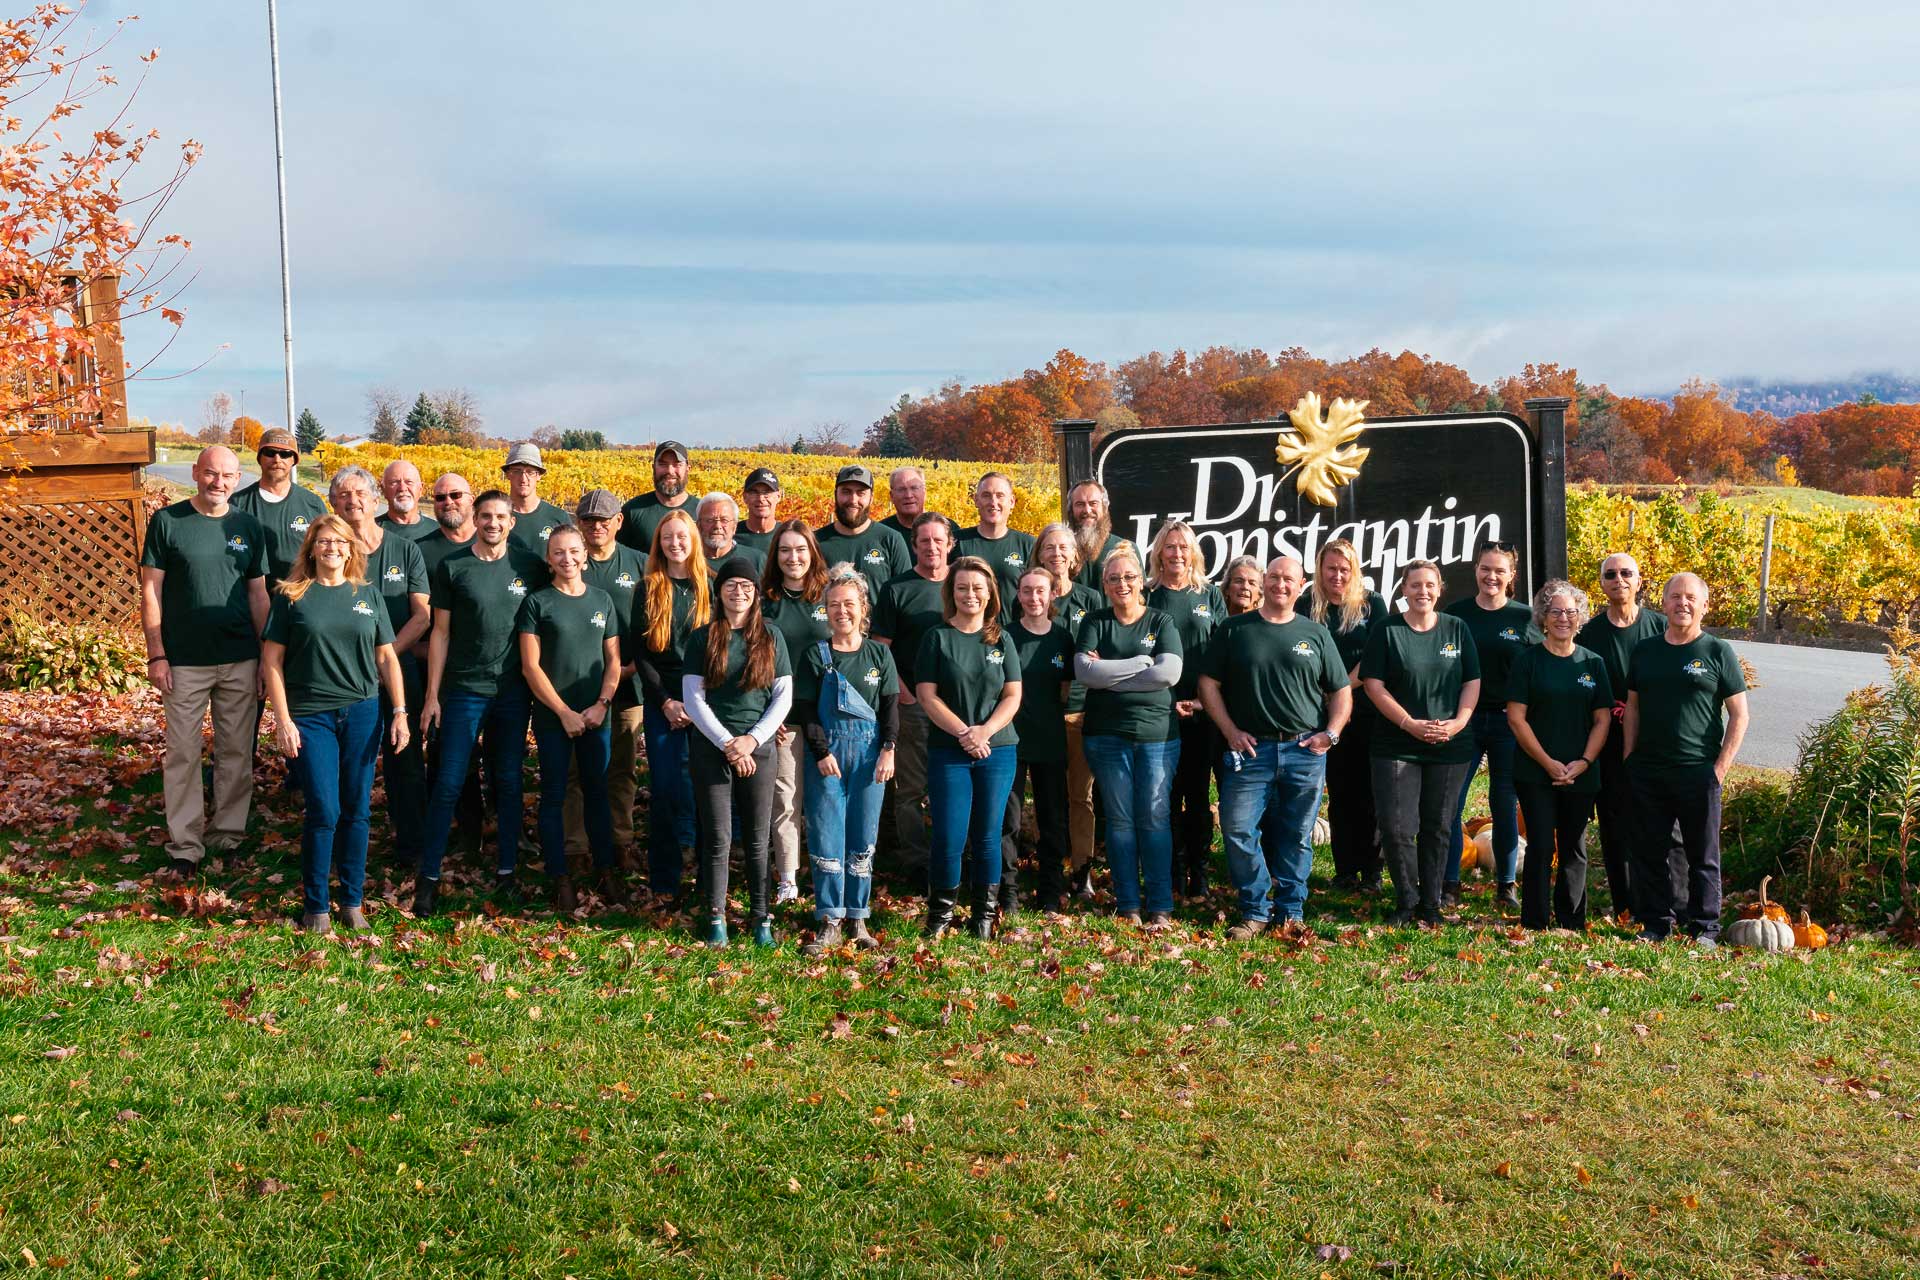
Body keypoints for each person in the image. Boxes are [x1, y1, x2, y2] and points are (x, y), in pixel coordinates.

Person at [261, 515, 409, 931]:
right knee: (324, 809)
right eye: (323, 542)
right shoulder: (292, 596)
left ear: (350, 549)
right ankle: (316, 906)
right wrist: (283, 719)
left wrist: (399, 712)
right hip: (311, 717)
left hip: (362, 712)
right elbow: (272, 661)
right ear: (311, 549)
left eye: (340, 542)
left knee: (358, 810)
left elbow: (386, 658)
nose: (332, 548)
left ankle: (352, 900)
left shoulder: (368, 594)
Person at [413, 490, 549, 915]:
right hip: (464, 690)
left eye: (500, 517)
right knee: (450, 781)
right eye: (486, 515)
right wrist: (432, 695)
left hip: (511, 692)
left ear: (511, 522)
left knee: (507, 780)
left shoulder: (528, 565)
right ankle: (429, 878)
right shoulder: (454, 567)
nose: (493, 523)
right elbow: (440, 633)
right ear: (475, 517)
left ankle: (507, 870)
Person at [1200, 556, 1351, 936]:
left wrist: (1330, 733)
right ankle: (1255, 910)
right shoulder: (1235, 629)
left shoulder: (1315, 633)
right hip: (1250, 752)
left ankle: (1290, 912)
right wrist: (1230, 730)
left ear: (1301, 586)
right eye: (1275, 577)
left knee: (1297, 834)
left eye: (1289, 579)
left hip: (1304, 751)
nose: (1281, 584)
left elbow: (1341, 691)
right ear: (1264, 581)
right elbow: (1207, 684)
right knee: (1237, 829)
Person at [139, 446, 270, 875]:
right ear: (196, 473)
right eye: (211, 473)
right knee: (183, 754)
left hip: (239, 659)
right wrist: (156, 652)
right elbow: (151, 591)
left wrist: (266, 659)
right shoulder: (168, 522)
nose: (219, 482)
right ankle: (186, 846)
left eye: (228, 475)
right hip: (183, 663)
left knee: (235, 752)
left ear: (238, 479)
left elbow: (258, 595)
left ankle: (228, 835)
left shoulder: (247, 526)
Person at [1623, 573, 1750, 946]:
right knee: (1650, 853)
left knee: (1703, 856)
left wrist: (1720, 769)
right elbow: (1633, 707)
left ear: (1704, 606)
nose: (1683, 603)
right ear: (1663, 604)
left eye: (1691, 598)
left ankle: (1705, 927)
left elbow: (1739, 714)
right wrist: (1629, 756)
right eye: (1675, 597)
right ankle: (1656, 924)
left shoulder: (1717, 652)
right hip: (1648, 770)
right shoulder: (1645, 650)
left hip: (1698, 771)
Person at [1362, 560, 1481, 927]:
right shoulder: (1387, 631)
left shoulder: (1456, 629)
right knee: (1396, 828)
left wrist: (1459, 723)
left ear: (1440, 589)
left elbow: (1471, 681)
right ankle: (1406, 900)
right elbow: (1373, 685)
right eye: (1415, 585)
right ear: (1403, 589)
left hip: (1450, 745)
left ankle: (1431, 904)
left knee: (1439, 826)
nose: (1423, 591)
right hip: (1396, 744)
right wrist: (1408, 723)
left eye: (1429, 584)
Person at [683, 558, 794, 948]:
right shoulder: (702, 638)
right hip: (712, 748)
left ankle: (761, 918)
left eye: (746, 586)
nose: (739, 592)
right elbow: (693, 699)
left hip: (758, 748)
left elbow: (783, 697)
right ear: (720, 591)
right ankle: (715, 917)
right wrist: (728, 744)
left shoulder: (771, 637)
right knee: (717, 835)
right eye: (731, 585)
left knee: (757, 836)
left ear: (756, 593)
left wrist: (752, 739)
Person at [1076, 544, 1185, 925]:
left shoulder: (1161, 622)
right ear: (1103, 584)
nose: (1122, 584)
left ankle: (1160, 905)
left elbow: (1168, 674)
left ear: (1141, 581)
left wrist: (1111, 675)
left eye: (1129, 577)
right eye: (1113, 578)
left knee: (1154, 818)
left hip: (1157, 735)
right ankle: (1128, 905)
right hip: (1106, 735)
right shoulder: (1095, 622)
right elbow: (1085, 673)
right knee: (1121, 821)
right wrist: (1138, 664)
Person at [518, 525, 623, 912]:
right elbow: (531, 667)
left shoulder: (602, 600)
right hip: (552, 718)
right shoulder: (537, 603)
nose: (568, 559)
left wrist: (601, 704)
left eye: (574, 551)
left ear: (585, 555)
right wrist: (562, 712)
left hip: (596, 716)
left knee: (598, 792)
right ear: (549, 559)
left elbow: (613, 662)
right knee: (555, 795)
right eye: (559, 553)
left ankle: (606, 868)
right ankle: (559, 875)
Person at [915, 556, 1022, 940]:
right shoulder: (937, 637)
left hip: (998, 750)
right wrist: (965, 733)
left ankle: (983, 916)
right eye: (962, 587)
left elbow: (1013, 694)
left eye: (978, 587)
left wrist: (985, 732)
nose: (970, 594)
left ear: (990, 591)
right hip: (950, 750)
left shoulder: (1002, 638)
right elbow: (926, 695)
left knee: (988, 834)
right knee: (949, 834)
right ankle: (940, 917)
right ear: (952, 592)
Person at [329, 465, 430, 868]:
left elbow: (421, 616)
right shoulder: (329, 550)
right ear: (333, 503)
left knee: (405, 760)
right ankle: (346, 849)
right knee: (349, 764)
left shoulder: (405, 550)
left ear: (376, 500)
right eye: (343, 495)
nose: (352, 501)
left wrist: (382, 657)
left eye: (360, 494)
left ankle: (412, 847)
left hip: (399, 675)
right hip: (343, 677)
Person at [797, 566, 899, 955]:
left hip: (871, 757)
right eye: (834, 605)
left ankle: (858, 916)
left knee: (863, 836)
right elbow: (806, 710)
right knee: (826, 833)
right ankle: (830, 919)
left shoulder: (879, 655)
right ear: (825, 610)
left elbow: (890, 708)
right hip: (828, 758)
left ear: (863, 608)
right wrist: (821, 753)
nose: (842, 612)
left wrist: (889, 749)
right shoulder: (815, 656)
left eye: (850, 604)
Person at [1507, 580, 1613, 932]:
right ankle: (1535, 921)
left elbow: (1602, 719)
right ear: (1543, 618)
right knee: (1539, 844)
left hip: (1581, 772)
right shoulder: (1528, 661)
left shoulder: (1593, 664)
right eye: (1555, 612)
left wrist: (1583, 762)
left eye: (1570, 612)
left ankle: (1571, 919)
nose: (1563, 618)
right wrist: (1546, 762)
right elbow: (1516, 718)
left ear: (1580, 617)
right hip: (1535, 771)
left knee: (1574, 846)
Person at [1443, 541, 1540, 912]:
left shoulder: (1526, 619)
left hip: (1508, 723)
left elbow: (1538, 672)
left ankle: (1506, 884)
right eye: (1486, 568)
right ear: (1476, 571)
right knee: (1451, 803)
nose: (1492, 576)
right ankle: (1450, 882)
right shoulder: (1456, 616)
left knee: (1504, 806)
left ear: (1512, 575)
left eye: (1500, 570)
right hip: (1464, 721)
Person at [1574, 552, 1666, 922]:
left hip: (1654, 740)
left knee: (1654, 822)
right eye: (1610, 574)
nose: (1619, 579)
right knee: (1614, 824)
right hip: (1606, 741)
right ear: (1602, 583)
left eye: (1626, 573)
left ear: (1639, 581)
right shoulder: (1590, 633)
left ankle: (1660, 900)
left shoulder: (1660, 627)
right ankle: (1625, 903)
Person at [630, 508, 711, 897]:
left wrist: (698, 704)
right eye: (667, 538)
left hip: (705, 703)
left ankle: (707, 876)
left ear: (693, 540)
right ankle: (665, 876)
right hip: (662, 702)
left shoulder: (709, 586)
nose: (675, 543)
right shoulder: (649, 588)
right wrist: (664, 702)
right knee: (663, 789)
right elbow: (641, 653)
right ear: (658, 544)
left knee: (702, 788)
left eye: (681, 536)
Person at [1146, 520, 1227, 899]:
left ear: (1193, 553)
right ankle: (1172, 873)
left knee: (1196, 797)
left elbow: (1224, 654)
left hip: (1202, 712)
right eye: (1169, 546)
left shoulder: (1210, 595)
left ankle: (1200, 872)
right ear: (1159, 552)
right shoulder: (1146, 596)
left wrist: (1200, 702)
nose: (1176, 554)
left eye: (1183, 547)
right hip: (1157, 714)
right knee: (1164, 796)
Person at [568, 490, 648, 872]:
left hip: (628, 686)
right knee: (576, 771)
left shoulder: (641, 563)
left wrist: (628, 670)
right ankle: (577, 845)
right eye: (587, 520)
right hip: (578, 689)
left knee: (621, 767)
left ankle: (620, 840)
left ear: (619, 522)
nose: (595, 526)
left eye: (604, 520)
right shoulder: (569, 561)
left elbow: (654, 625)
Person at [873, 512, 954, 883]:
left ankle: (951, 855)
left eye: (939, 540)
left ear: (950, 544)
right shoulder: (897, 589)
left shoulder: (965, 583)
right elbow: (881, 649)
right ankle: (917, 863)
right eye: (925, 541)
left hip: (960, 706)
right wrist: (905, 695)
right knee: (910, 788)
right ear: (914, 545)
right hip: (914, 704)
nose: (932, 547)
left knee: (951, 785)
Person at [1306, 538, 1390, 894]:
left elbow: (1377, 655)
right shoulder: (1305, 605)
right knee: (1339, 792)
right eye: (1331, 569)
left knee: (1370, 792)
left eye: (1344, 569)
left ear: (1354, 571)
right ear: (1320, 570)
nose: (1337, 575)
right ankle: (1345, 870)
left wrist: (1342, 688)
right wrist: (1328, 696)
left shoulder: (1373, 605)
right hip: (1322, 714)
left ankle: (1371, 869)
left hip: (1367, 710)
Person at [760, 520, 831, 905]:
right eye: (785, 550)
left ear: (812, 552)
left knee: (825, 800)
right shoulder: (766, 601)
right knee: (786, 800)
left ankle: (827, 871)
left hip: (828, 717)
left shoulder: (828, 596)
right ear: (776, 556)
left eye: (801, 549)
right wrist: (768, 718)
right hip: (784, 719)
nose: (793, 557)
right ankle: (788, 878)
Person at [1032, 522, 1102, 897]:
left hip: (1079, 710)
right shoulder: (1028, 596)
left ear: (1074, 557)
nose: (1056, 554)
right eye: (1049, 548)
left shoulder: (1090, 600)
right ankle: (1049, 865)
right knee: (1046, 794)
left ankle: (1082, 869)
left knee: (1080, 795)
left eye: (1064, 548)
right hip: (1038, 713)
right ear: (1039, 554)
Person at [1005, 565, 1073, 911]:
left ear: (1052, 595)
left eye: (1040, 591)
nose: (1034, 598)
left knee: (1053, 818)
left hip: (1050, 739)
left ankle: (1050, 892)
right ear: (1019, 595)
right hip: (1011, 739)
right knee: (1009, 819)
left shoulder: (1063, 638)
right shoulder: (1004, 636)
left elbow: (1066, 689)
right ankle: (1009, 892)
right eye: (1027, 591)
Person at [230, 427, 328, 590]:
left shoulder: (313, 504)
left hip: (300, 601)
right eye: (270, 452)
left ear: (294, 460)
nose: (277, 459)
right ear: (260, 457)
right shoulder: (237, 504)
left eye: (285, 454)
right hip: (248, 601)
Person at [815, 464, 911, 599]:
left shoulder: (891, 539)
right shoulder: (816, 542)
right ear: (835, 494)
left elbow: (905, 595)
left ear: (871, 497)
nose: (853, 500)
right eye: (846, 492)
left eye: (861, 493)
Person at [957, 472, 1035, 597]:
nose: (993, 502)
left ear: (1012, 501)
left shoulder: (1028, 545)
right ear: (976, 500)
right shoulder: (958, 542)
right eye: (986, 495)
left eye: (1000, 496)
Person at [618, 440, 695, 554]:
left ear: (688, 468)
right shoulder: (632, 511)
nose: (670, 471)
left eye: (677, 464)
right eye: (663, 464)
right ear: (653, 467)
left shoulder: (702, 511)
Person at [501, 443, 572, 555]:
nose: (523, 479)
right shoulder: (495, 518)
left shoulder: (558, 517)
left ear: (539, 476)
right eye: (517, 471)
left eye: (530, 472)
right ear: (508, 474)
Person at [1066, 480, 1125, 590]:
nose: (1087, 510)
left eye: (1093, 503)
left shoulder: (1125, 549)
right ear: (1071, 510)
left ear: (1104, 507)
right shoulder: (1060, 552)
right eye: (1080, 504)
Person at [878, 466, 957, 544]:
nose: (908, 495)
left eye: (914, 488)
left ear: (924, 492)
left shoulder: (949, 529)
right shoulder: (880, 533)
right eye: (901, 489)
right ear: (892, 496)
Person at [696, 492, 766, 577]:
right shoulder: (687, 561)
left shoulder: (756, 560)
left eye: (724, 520)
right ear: (698, 525)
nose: (717, 526)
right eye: (710, 520)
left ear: (734, 526)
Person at [377, 459, 437, 542]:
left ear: (421, 489)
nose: (402, 488)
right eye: (394, 482)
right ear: (383, 490)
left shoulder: (437, 532)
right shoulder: (371, 532)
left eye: (409, 482)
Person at [734, 467, 783, 556]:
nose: (761, 499)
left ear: (778, 496)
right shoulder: (732, 535)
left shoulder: (787, 535)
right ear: (745, 497)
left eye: (767, 493)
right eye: (754, 492)